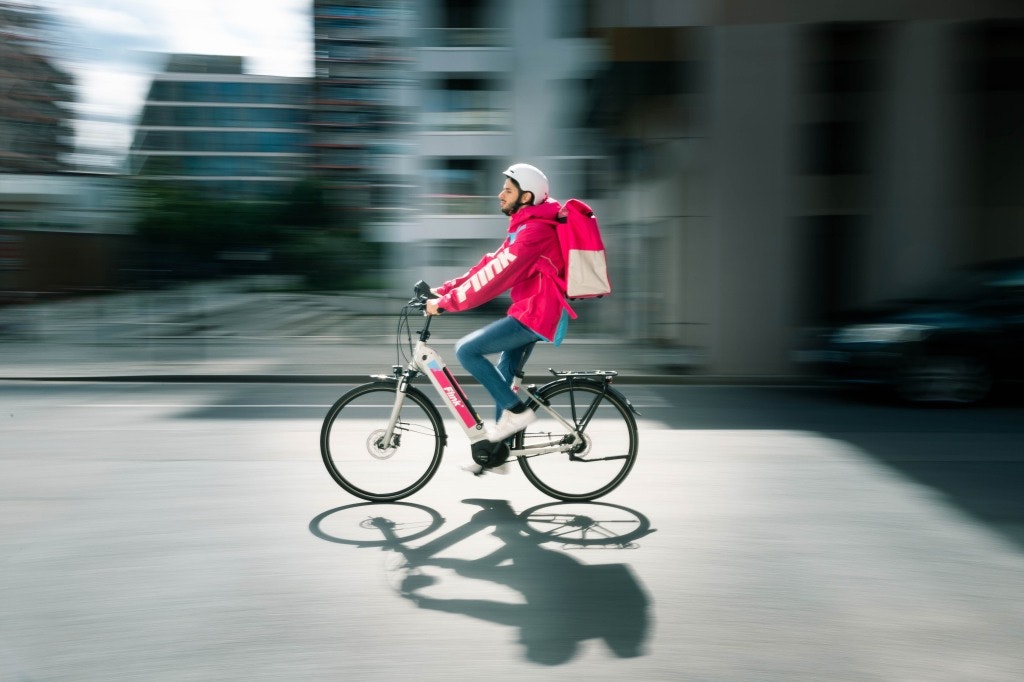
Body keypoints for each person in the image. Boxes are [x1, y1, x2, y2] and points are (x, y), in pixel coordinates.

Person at [425, 163, 572, 453]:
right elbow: (490, 263)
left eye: (507, 190)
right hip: (531, 312)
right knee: (505, 380)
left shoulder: (535, 232)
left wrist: (446, 304)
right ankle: (497, 454)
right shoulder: (527, 226)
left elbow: (494, 277)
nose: (499, 194)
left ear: (526, 196)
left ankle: (518, 415)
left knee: (467, 351)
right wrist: (443, 290)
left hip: (537, 315)